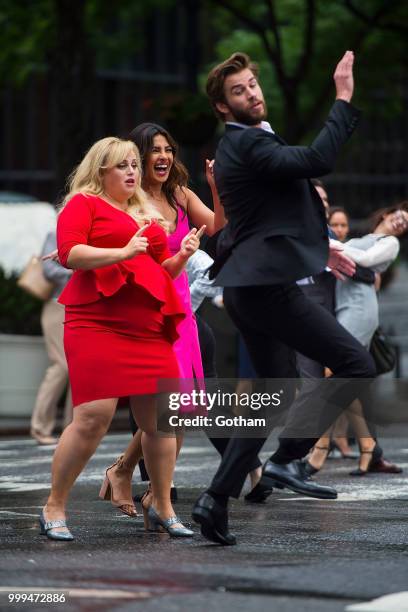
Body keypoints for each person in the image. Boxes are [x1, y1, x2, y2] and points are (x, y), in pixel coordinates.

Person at [191, 50, 377, 546]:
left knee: (270, 400)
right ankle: (287, 460)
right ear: (223, 108)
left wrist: (326, 251)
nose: (252, 93)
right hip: (265, 289)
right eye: (239, 90)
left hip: (252, 287)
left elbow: (267, 222)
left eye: (253, 84)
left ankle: (215, 501)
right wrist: (342, 97)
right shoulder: (247, 144)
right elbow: (316, 161)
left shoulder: (249, 143)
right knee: (355, 362)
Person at [40, 136, 203, 541]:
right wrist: (123, 251)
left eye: (135, 164)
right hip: (95, 321)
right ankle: (54, 506)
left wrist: (181, 255)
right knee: (94, 417)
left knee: (161, 421)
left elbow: (156, 275)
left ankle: (162, 506)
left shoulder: (143, 212)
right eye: (123, 166)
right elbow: (69, 253)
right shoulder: (83, 204)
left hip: (146, 327)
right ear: (101, 172)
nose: (133, 171)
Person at [99, 123, 237, 516]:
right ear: (138, 157)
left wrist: (214, 188)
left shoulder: (179, 195)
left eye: (168, 150)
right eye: (154, 150)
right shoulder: (129, 197)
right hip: (145, 307)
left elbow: (218, 228)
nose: (163, 156)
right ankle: (143, 486)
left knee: (181, 406)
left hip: (180, 310)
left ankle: (125, 472)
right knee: (168, 405)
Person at [306, 203, 408, 475]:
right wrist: (333, 247)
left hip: (360, 311)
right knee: (346, 379)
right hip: (345, 309)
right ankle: (366, 445)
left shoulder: (390, 244)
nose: (401, 223)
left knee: (334, 375)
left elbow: (362, 262)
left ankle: (321, 448)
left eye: (406, 224)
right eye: (401, 216)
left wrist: (329, 246)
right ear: (387, 213)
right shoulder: (356, 240)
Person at [30, 231, 73, 445]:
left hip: (83, 306)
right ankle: (40, 427)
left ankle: (73, 430)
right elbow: (48, 268)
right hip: (58, 304)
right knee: (62, 365)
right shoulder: (56, 233)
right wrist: (78, 269)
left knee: (78, 368)